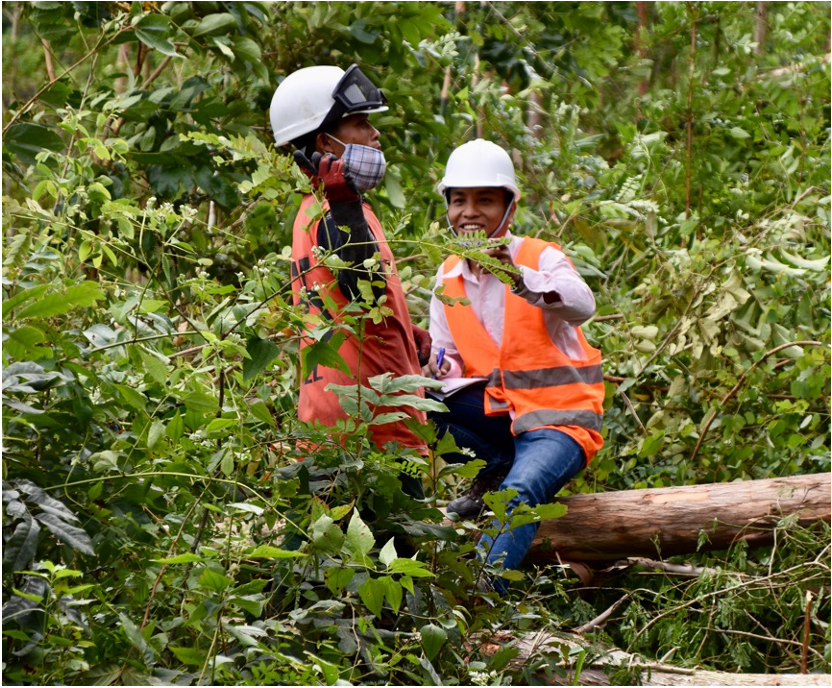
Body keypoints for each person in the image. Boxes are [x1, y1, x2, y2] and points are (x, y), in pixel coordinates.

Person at [423, 139, 605, 591]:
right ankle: (496, 469)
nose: (470, 212)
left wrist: (519, 279)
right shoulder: (447, 277)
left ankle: (480, 602)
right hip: (500, 419)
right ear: (447, 205)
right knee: (418, 397)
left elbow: (583, 305)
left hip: (559, 425)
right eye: (459, 200)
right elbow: (448, 364)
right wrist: (425, 359)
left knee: (519, 497)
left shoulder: (539, 258)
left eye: (485, 200)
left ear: (508, 206)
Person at [269, 64, 431, 473]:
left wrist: (402, 330)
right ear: (326, 142)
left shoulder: (313, 210)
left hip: (332, 418)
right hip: (370, 428)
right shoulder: (335, 211)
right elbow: (363, 286)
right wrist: (344, 206)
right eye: (360, 123)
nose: (375, 135)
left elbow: (343, 299)